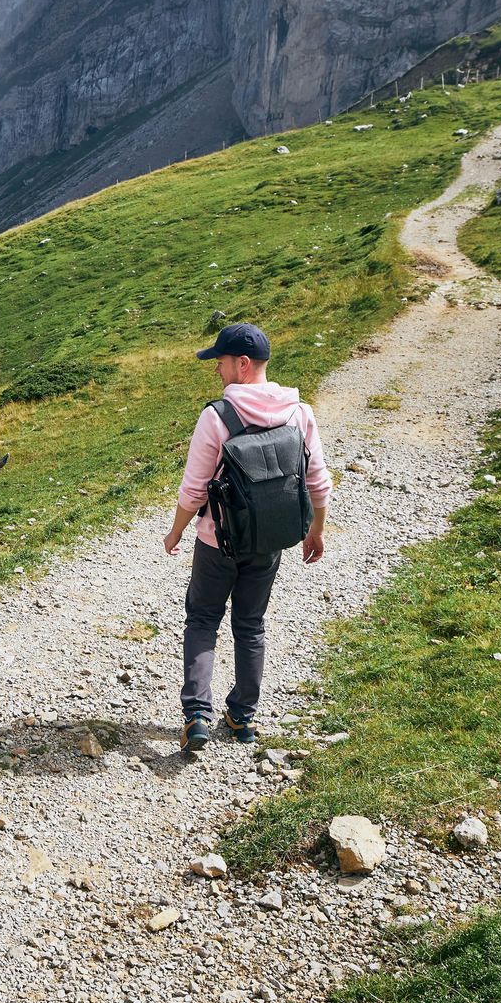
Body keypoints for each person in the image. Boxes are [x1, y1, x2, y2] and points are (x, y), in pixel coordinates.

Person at [161, 322, 331, 751]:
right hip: (270, 541)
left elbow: (194, 488)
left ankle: (197, 716)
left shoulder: (217, 417)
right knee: (251, 625)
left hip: (218, 541)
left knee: (202, 619)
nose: (216, 370)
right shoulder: (300, 413)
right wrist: (315, 530)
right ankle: (242, 718)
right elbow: (317, 481)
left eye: (219, 362)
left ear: (241, 364)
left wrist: (177, 530)